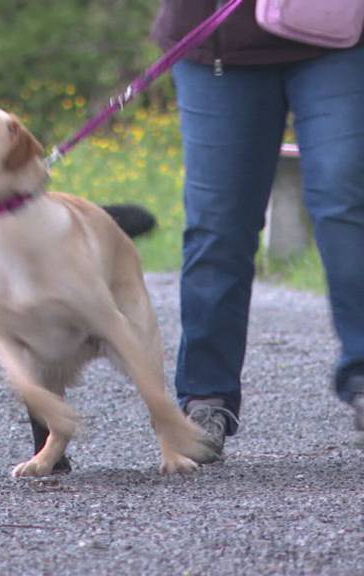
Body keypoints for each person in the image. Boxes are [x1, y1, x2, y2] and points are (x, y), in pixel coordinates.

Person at [152, 1, 364, 461]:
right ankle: (206, 400)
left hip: (341, 36)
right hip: (217, 42)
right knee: (218, 225)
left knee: (345, 203)